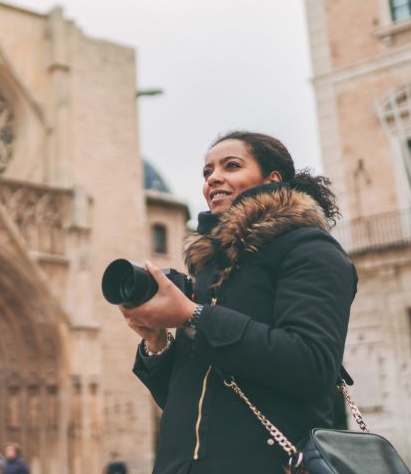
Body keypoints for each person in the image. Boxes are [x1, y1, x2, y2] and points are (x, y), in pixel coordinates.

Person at [123, 131, 356, 473]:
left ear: (272, 180)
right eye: (207, 172)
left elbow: (312, 365)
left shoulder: (312, 250)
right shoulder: (208, 269)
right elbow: (192, 402)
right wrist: (156, 342)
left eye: (231, 166)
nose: (213, 177)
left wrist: (195, 316)